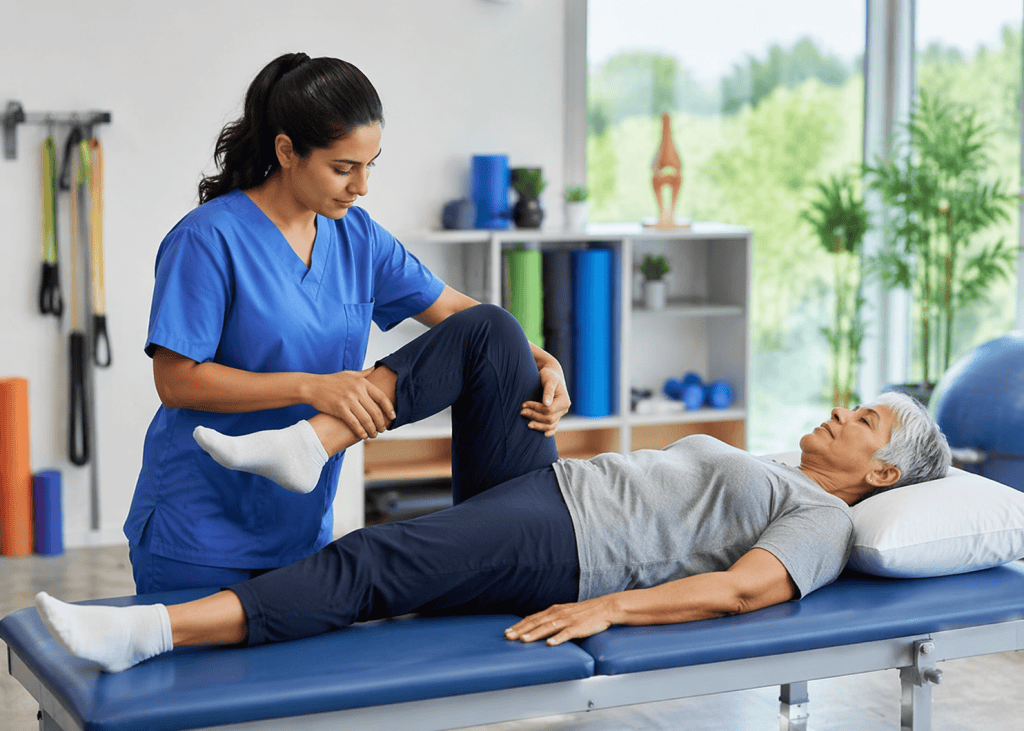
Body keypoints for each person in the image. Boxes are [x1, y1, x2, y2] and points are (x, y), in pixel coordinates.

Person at [38, 305, 951, 673]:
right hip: (553, 489)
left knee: (373, 560)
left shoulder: (826, 517)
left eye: (864, 419)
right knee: (492, 337)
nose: (843, 411)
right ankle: (313, 441)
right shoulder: (786, 471)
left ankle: (149, 632)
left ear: (881, 472)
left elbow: (747, 587)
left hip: (573, 546)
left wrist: (615, 610)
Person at [124, 53, 569, 594]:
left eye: (369, 166)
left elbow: (459, 316)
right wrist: (313, 387)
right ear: (286, 150)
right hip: (199, 529)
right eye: (343, 168)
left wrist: (536, 358)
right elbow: (176, 381)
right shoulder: (207, 239)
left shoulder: (358, 237)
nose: (360, 186)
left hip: (299, 528)